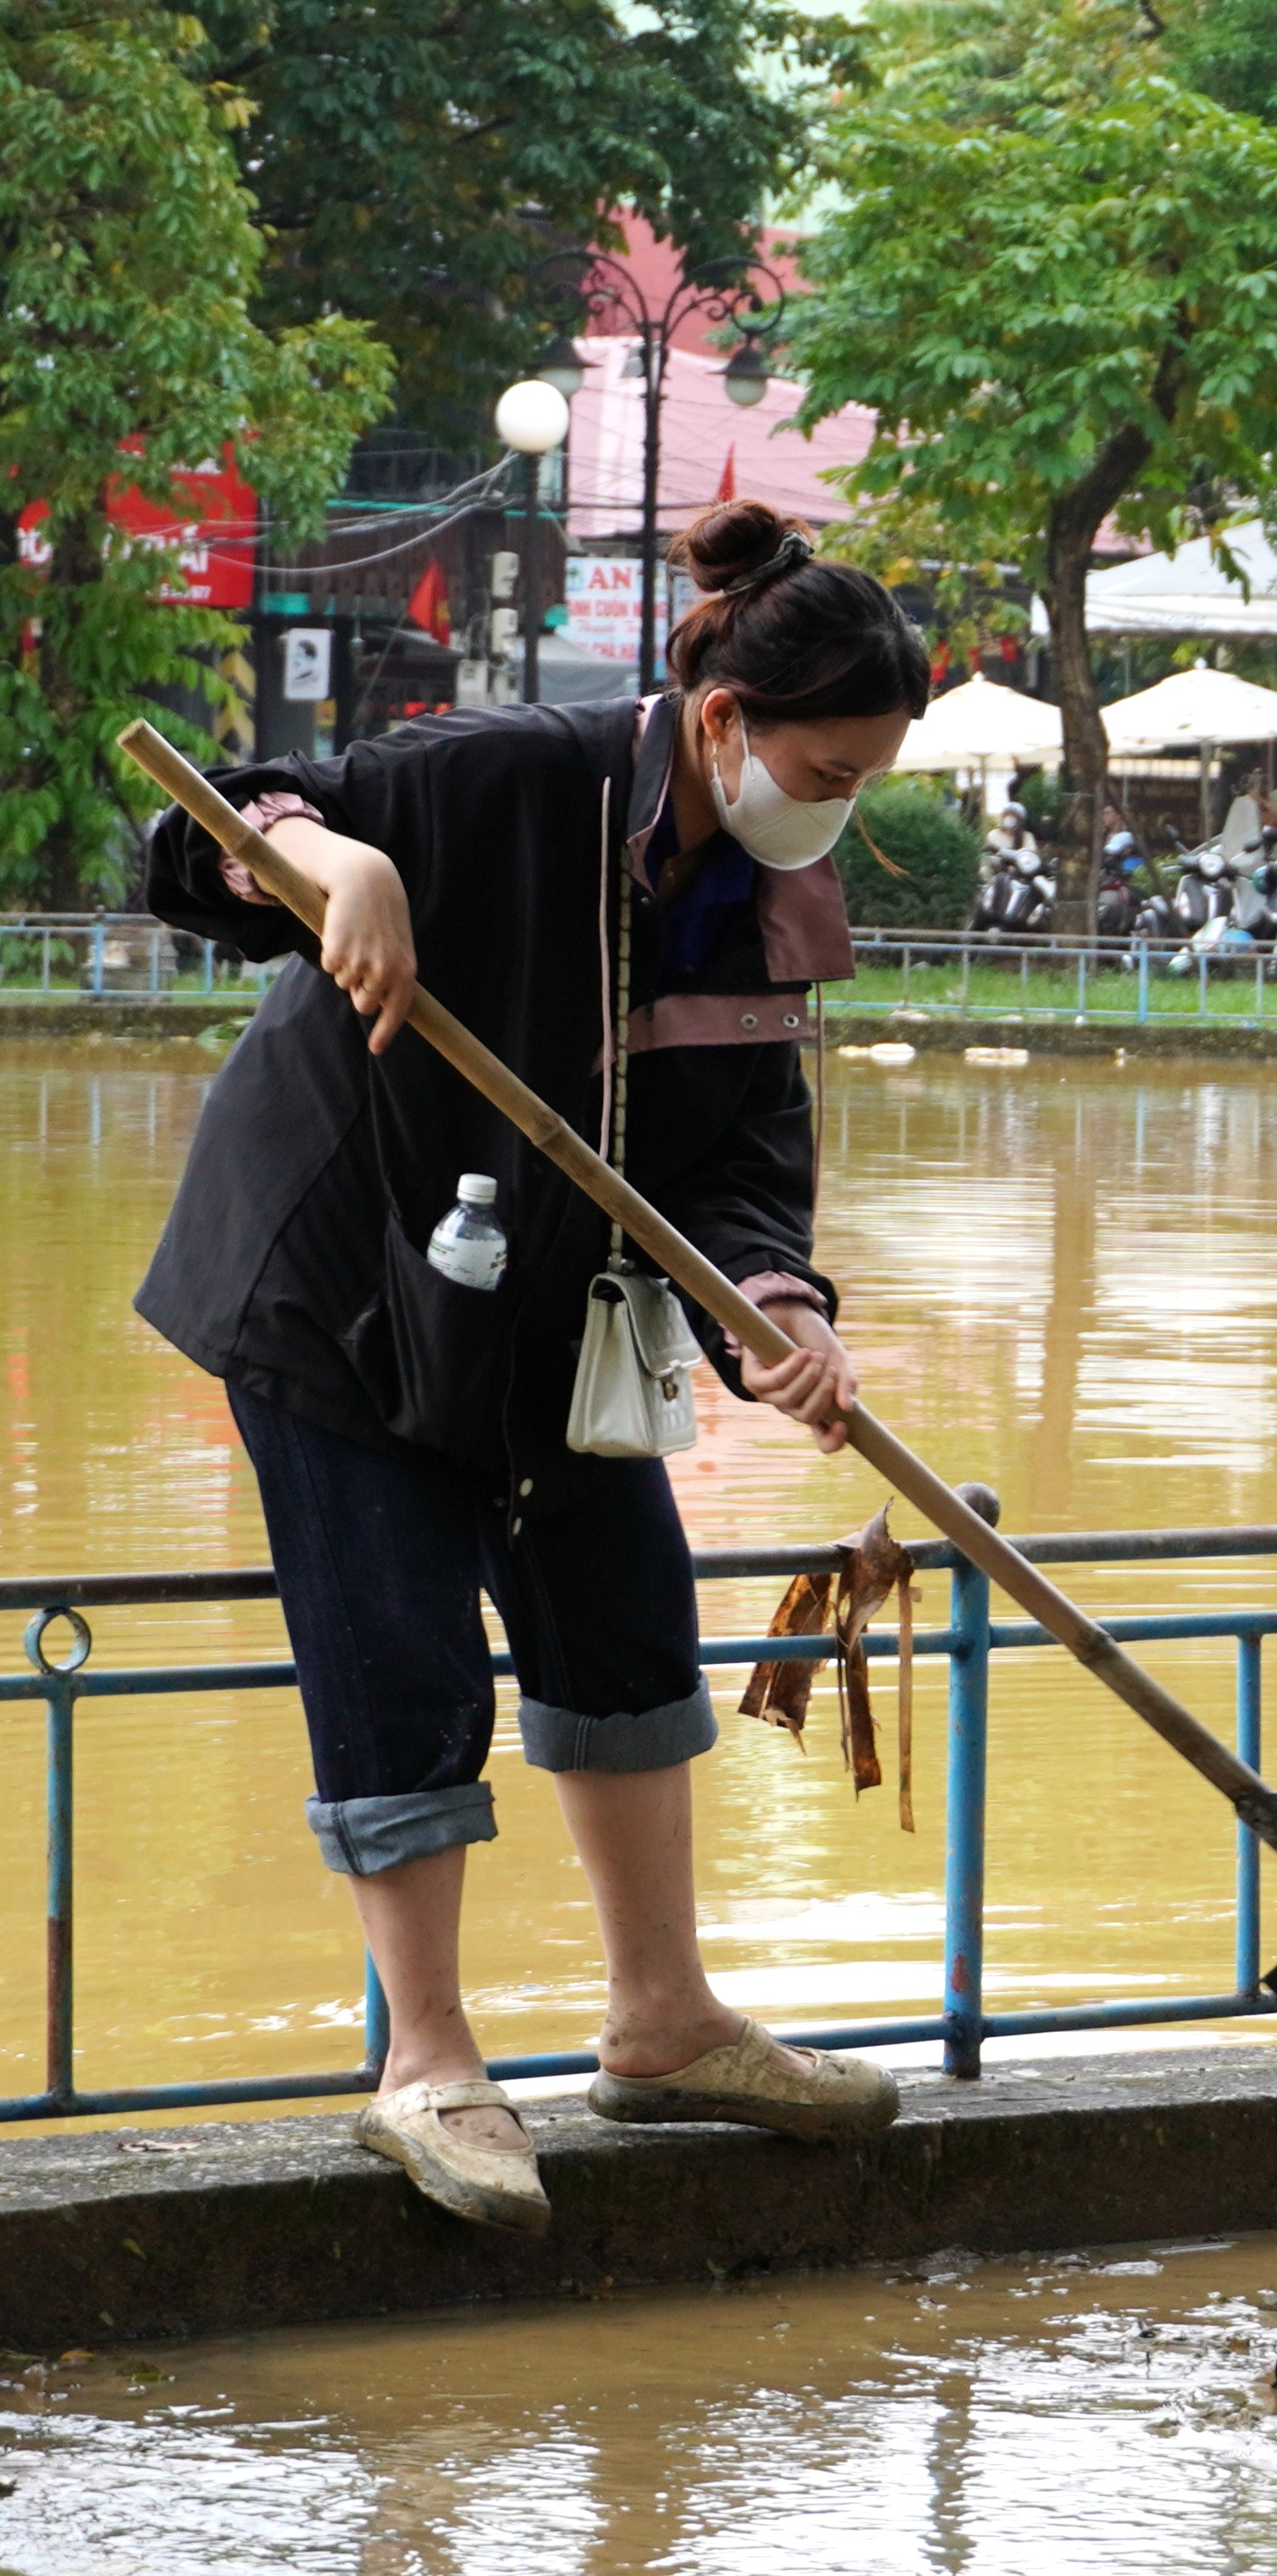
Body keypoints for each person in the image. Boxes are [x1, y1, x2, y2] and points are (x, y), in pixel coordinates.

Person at [132, 501, 921, 2237]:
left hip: (561, 1309)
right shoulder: (508, 772)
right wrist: (331, 863)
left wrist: (778, 1302)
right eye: (833, 760)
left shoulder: (773, 890)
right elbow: (206, 819)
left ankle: (662, 2017)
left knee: (624, 1608)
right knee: (399, 1644)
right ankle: (426, 2058)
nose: (844, 797)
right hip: (342, 1287)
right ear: (725, 721)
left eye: (871, 771)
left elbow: (741, 1152)